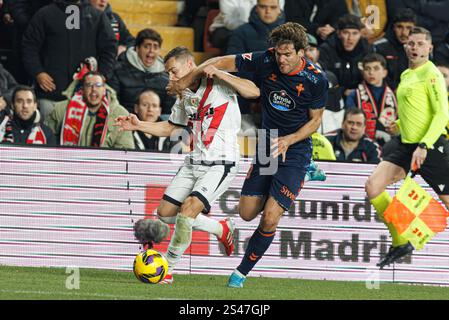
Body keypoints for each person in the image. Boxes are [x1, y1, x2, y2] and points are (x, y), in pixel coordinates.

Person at [167, 22, 328, 288]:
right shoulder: (265, 59)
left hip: (296, 148)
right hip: (266, 142)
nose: (281, 59)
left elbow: (315, 122)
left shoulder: (315, 79)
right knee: (246, 213)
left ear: (302, 52)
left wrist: (290, 139)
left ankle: (240, 273)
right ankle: (297, 178)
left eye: (287, 54)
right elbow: (218, 60)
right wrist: (186, 80)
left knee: (270, 217)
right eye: (278, 53)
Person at [115, 46, 260, 284]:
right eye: (168, 73)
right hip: (194, 162)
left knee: (187, 212)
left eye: (174, 71)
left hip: (221, 162)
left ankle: (167, 269)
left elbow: (253, 91)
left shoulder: (216, 83)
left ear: (190, 66)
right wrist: (138, 125)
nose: (171, 78)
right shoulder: (183, 97)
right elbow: (171, 127)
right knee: (164, 213)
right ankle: (220, 229)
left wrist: (220, 73)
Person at [365, 27, 449, 269]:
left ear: (430, 47)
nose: (415, 47)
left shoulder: (431, 73)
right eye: (411, 43)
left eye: (421, 43)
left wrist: (424, 145)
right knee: (373, 186)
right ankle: (401, 241)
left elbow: (441, 114)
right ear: (405, 46)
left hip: (430, 147)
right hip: (406, 145)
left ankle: (401, 241)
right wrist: (399, 123)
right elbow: (417, 109)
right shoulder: (405, 75)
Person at [21, 0, 117, 120]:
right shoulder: (45, 14)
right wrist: (38, 72)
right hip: (50, 96)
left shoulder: (97, 16)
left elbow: (110, 49)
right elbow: (29, 46)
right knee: (49, 137)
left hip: (86, 99)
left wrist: (101, 75)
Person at [45, 71, 134, 149]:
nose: (94, 89)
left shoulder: (120, 114)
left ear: (104, 89)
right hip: (68, 163)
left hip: (104, 165)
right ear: (82, 89)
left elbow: (125, 150)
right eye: (89, 85)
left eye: (98, 85)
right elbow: (47, 140)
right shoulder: (60, 109)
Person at [109, 28, 176, 115]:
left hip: (155, 125)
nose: (151, 51)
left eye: (155, 47)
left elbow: (169, 111)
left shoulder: (167, 77)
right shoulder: (118, 71)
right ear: (137, 49)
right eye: (147, 46)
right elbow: (113, 105)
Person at [346, 53, 398, 146]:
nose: (371, 73)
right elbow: (349, 122)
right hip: (363, 144)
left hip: (390, 143)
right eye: (367, 69)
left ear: (384, 72)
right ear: (363, 72)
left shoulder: (394, 95)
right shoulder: (354, 95)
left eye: (376, 68)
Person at [319, 14, 371, 98]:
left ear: (360, 34)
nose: (350, 38)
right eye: (346, 33)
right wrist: (343, 91)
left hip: (361, 96)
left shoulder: (367, 50)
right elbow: (320, 81)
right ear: (339, 33)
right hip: (332, 97)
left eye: (355, 33)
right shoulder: (326, 50)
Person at [372, 8, 417, 90]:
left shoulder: (420, 49)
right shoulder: (379, 47)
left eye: (408, 28)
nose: (404, 32)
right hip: (385, 94)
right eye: (400, 27)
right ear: (393, 28)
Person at [284, 0, 348, 43]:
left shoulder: (338, 2)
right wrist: (317, 29)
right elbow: (291, 20)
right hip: (297, 39)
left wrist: (332, 29)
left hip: (328, 40)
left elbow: (343, 19)